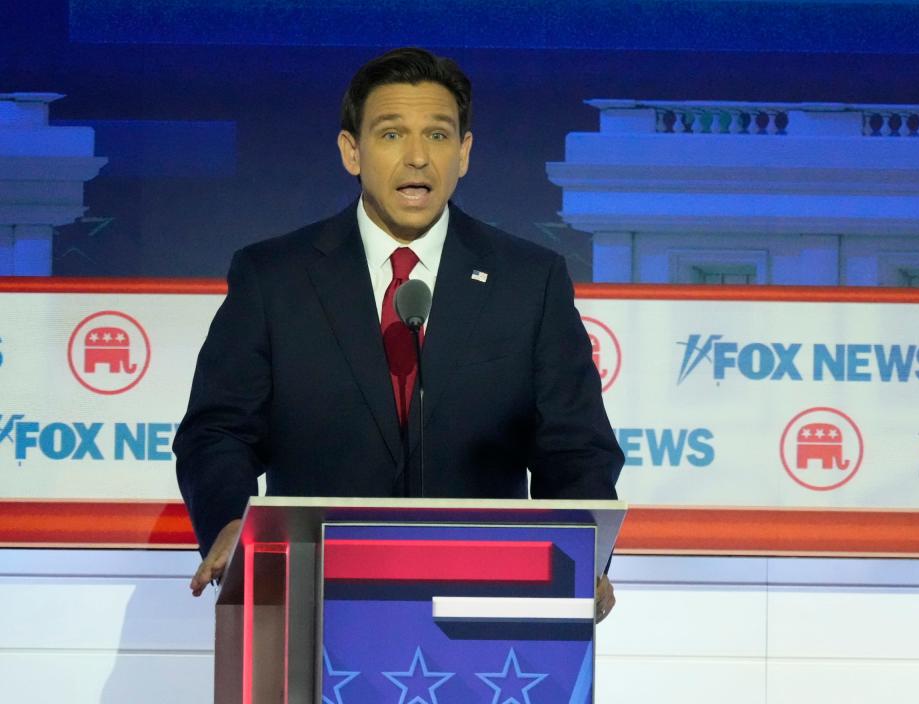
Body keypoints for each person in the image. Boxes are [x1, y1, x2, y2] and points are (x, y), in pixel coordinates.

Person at [173, 47, 623, 621]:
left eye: (438, 136)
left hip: (485, 605)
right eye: (391, 135)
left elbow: (575, 448)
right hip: (314, 601)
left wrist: (586, 555)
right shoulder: (274, 277)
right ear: (351, 151)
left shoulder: (528, 281)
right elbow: (217, 431)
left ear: (464, 153)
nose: (417, 158)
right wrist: (233, 521)